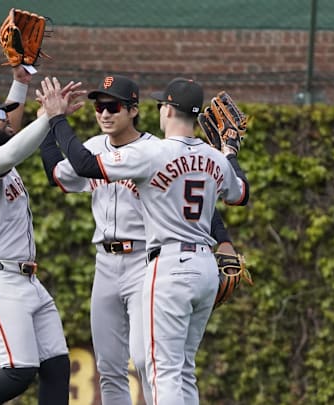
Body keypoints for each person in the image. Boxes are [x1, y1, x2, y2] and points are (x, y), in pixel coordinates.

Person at [36, 76, 249, 405]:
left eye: (113, 106)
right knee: (178, 368)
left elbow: (84, 164)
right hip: (198, 266)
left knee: (157, 367)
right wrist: (230, 152)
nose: (105, 113)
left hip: (159, 265)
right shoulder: (214, 157)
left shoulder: (151, 152)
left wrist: (56, 119)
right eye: (99, 106)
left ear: (163, 110)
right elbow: (239, 193)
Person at [0, 66, 85, 405]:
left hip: (27, 281)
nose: (9, 121)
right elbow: (11, 151)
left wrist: (21, 80)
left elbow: (10, 136)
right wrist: (49, 117)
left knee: (56, 366)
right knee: (19, 371)